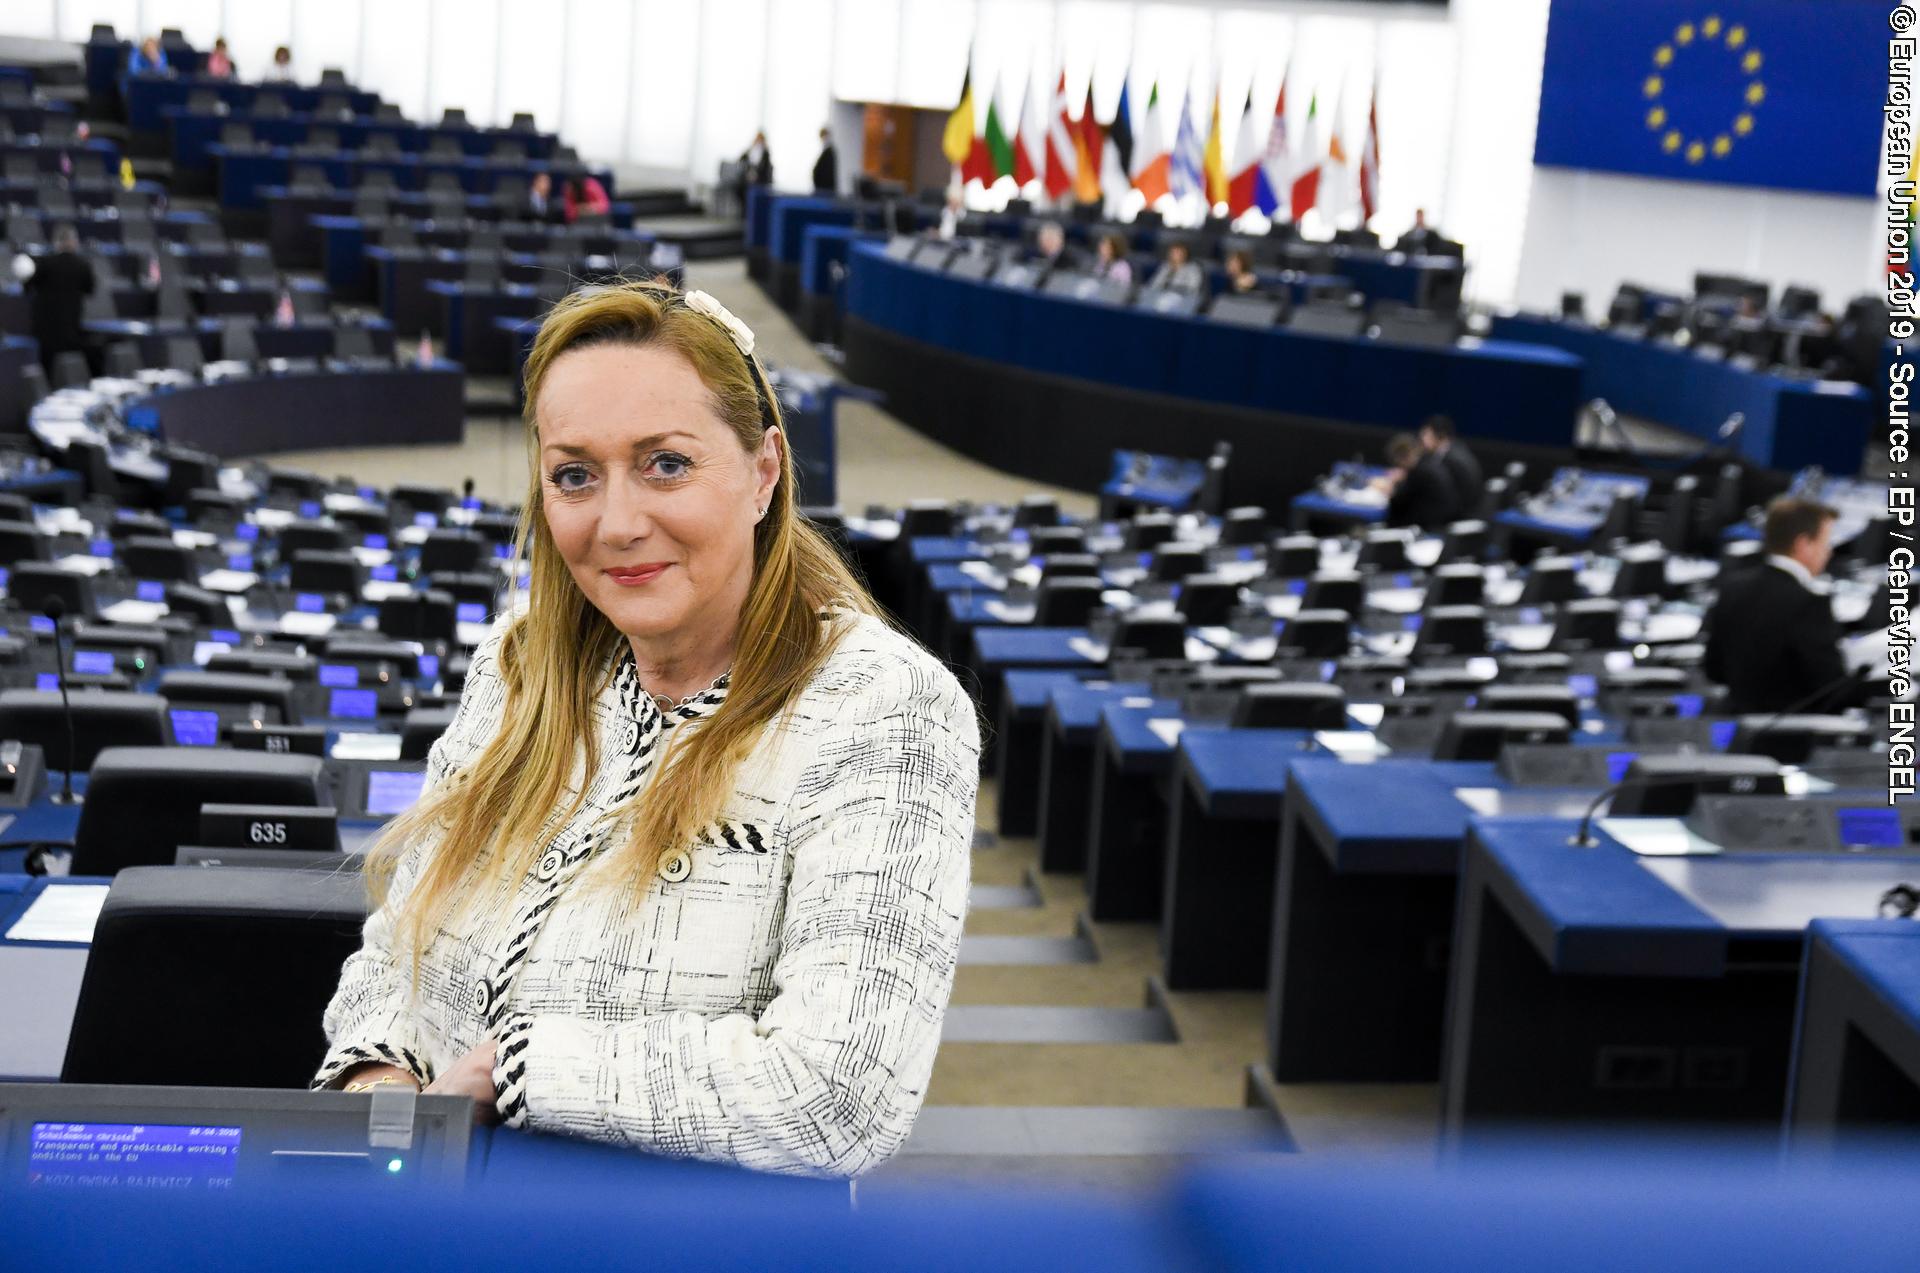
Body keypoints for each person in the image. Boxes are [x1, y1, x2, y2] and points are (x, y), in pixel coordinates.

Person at [313, 278, 979, 1178]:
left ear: (763, 473)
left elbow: (841, 1095)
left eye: (666, 462)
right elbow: (400, 941)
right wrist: (377, 1076)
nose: (617, 523)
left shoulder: (885, 703)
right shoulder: (517, 664)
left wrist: (513, 1072)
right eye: (575, 475)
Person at [1704, 496, 1865, 715]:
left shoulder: (1731, 588)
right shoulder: (1808, 603)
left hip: (1737, 729)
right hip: (1793, 735)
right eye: (1825, 542)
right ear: (1803, 544)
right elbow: (1830, 690)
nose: (1829, 552)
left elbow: (1714, 670)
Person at [17, 224, 96, 377]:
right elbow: (90, 289)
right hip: (70, 328)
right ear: (74, 242)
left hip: (45, 331)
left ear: (56, 243)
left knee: (47, 371)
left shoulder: (45, 264)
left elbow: (27, 287)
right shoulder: (83, 265)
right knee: (68, 370)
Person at [1376, 431, 1457, 531]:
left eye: (1398, 463)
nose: (1399, 467)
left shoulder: (1419, 473)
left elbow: (1398, 502)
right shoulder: (1428, 462)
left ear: (1403, 458)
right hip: (1442, 520)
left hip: (1430, 526)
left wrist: (1389, 489)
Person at [1418, 414, 1483, 516]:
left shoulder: (1452, 462)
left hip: (1460, 516)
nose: (1422, 438)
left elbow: (1440, 496)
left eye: (1426, 434)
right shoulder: (1455, 449)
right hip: (1466, 509)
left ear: (1440, 435)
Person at [810, 126, 837, 194]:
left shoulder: (829, 152)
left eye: (824, 136)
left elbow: (827, 173)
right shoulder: (825, 152)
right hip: (822, 190)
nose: (823, 139)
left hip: (825, 191)